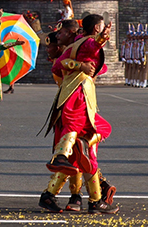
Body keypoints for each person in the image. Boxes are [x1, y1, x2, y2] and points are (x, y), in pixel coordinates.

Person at [42, 14, 119, 214]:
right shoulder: (80, 45)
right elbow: (89, 47)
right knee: (86, 145)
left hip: (71, 98)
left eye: (61, 33)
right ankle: (89, 198)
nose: (57, 38)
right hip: (76, 98)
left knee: (81, 158)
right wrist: (100, 40)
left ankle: (59, 195)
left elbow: (79, 54)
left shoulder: (75, 45)